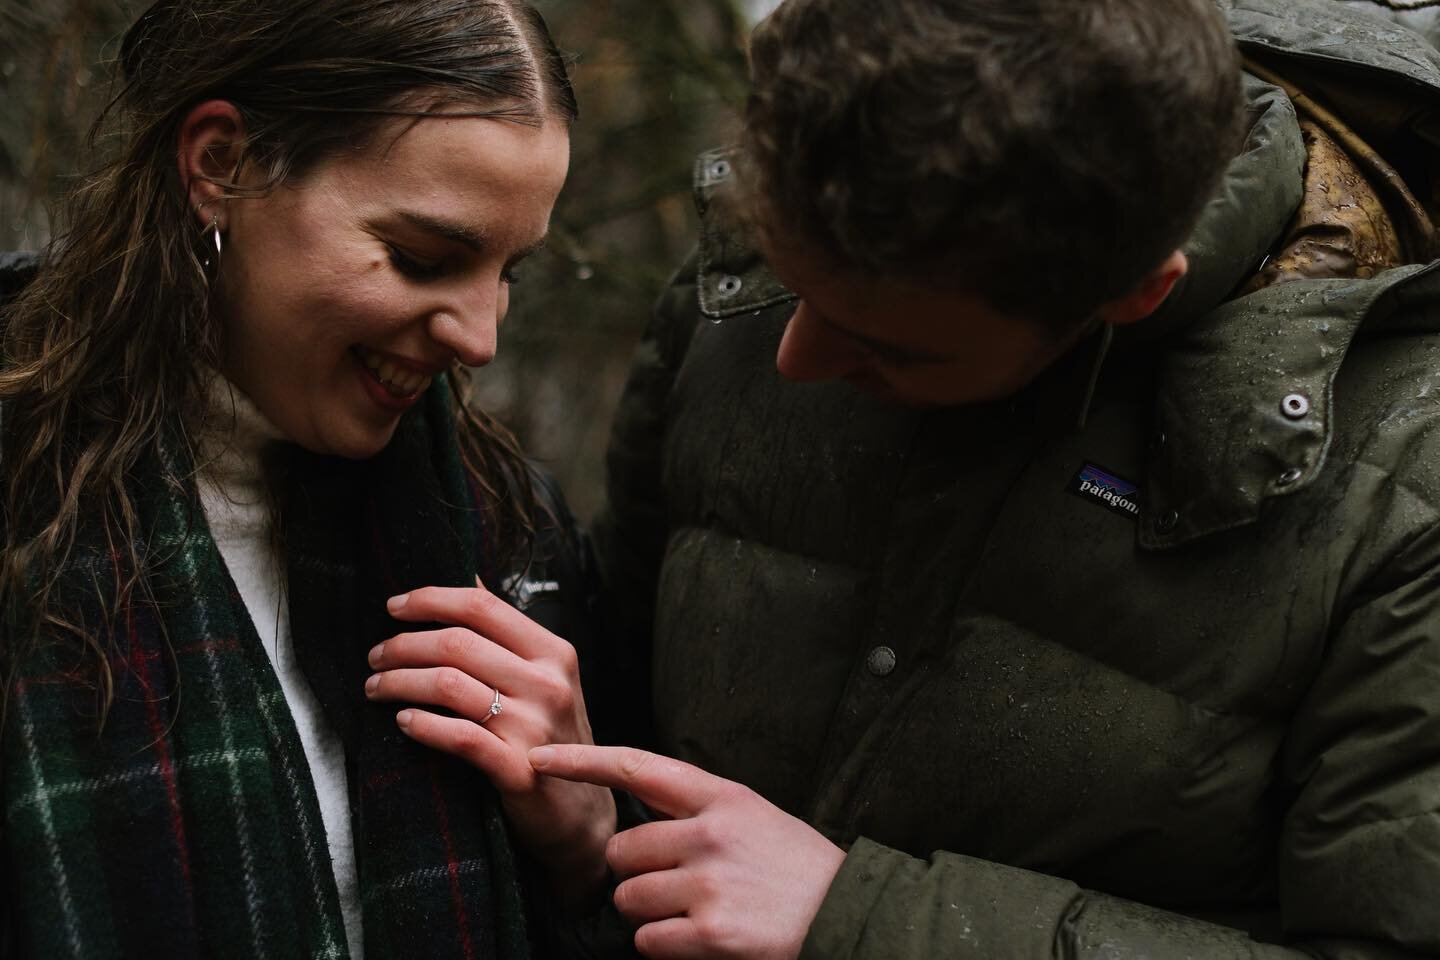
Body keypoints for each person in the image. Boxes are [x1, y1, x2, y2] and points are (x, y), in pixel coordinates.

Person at [373, 0, 1440, 956]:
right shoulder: (772, 260)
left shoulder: (1399, 476)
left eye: (891, 350)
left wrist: (865, 920)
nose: (792, 360)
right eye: (792, 287)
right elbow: (644, 689)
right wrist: (584, 814)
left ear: (1127, 293)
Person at [0, 1, 616, 956]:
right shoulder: (23, 486)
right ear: (223, 165)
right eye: (424, 259)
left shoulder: (500, 527)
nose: (480, 338)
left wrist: (585, 851)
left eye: (509, 272)